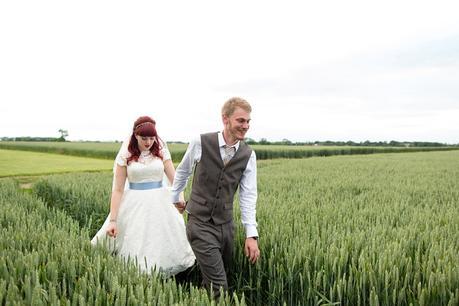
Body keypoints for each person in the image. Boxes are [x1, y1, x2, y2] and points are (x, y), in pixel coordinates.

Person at [171, 97, 260, 297]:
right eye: (240, 120)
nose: (245, 126)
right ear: (225, 119)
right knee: (219, 287)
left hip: (225, 226)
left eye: (248, 121)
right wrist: (176, 197)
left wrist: (251, 235)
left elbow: (248, 195)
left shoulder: (248, 155)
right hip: (200, 223)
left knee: (212, 281)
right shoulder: (200, 142)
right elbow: (183, 171)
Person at [91, 116, 195, 277]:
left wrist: (179, 198)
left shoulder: (161, 153)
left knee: (161, 240)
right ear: (135, 136)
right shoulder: (125, 156)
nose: (148, 142)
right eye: (144, 138)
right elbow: (118, 189)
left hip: (161, 203)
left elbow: (176, 180)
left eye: (152, 138)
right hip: (135, 203)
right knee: (137, 241)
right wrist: (113, 220)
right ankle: (139, 277)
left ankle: (164, 277)